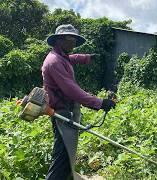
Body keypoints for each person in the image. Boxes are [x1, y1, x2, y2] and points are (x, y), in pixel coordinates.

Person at [41, 24, 115, 180]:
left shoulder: (61, 55)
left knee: (68, 157)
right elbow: (71, 90)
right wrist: (100, 102)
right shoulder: (54, 62)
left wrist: (88, 57)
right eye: (71, 39)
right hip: (61, 114)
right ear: (59, 40)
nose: (74, 43)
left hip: (67, 112)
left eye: (75, 39)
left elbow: (71, 59)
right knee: (62, 159)